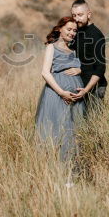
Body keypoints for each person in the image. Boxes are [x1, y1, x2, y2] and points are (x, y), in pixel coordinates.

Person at [34, 16, 85, 176]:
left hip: (76, 98)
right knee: (57, 129)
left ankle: (73, 171)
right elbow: (45, 72)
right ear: (59, 29)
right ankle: (53, 171)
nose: (72, 33)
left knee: (74, 132)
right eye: (69, 29)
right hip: (56, 95)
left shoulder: (75, 50)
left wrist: (81, 70)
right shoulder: (52, 47)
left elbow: (89, 66)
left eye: (75, 31)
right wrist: (61, 92)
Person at [70, 0, 107, 117]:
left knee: (94, 125)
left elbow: (100, 68)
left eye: (80, 15)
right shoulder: (76, 32)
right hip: (79, 85)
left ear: (89, 14)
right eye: (74, 15)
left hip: (94, 88)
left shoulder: (97, 35)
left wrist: (86, 90)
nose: (76, 19)